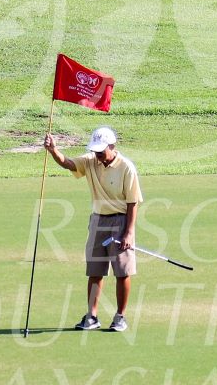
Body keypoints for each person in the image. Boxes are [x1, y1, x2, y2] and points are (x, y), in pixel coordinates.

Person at [41, 125, 142, 332]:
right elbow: (68, 164)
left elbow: (133, 202)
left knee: (122, 272)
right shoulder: (90, 161)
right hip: (97, 221)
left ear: (112, 146)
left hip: (120, 220)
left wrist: (129, 233)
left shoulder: (127, 168)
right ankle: (92, 316)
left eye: (101, 150)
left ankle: (120, 316)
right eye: (95, 150)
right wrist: (53, 151)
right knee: (95, 271)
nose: (98, 154)